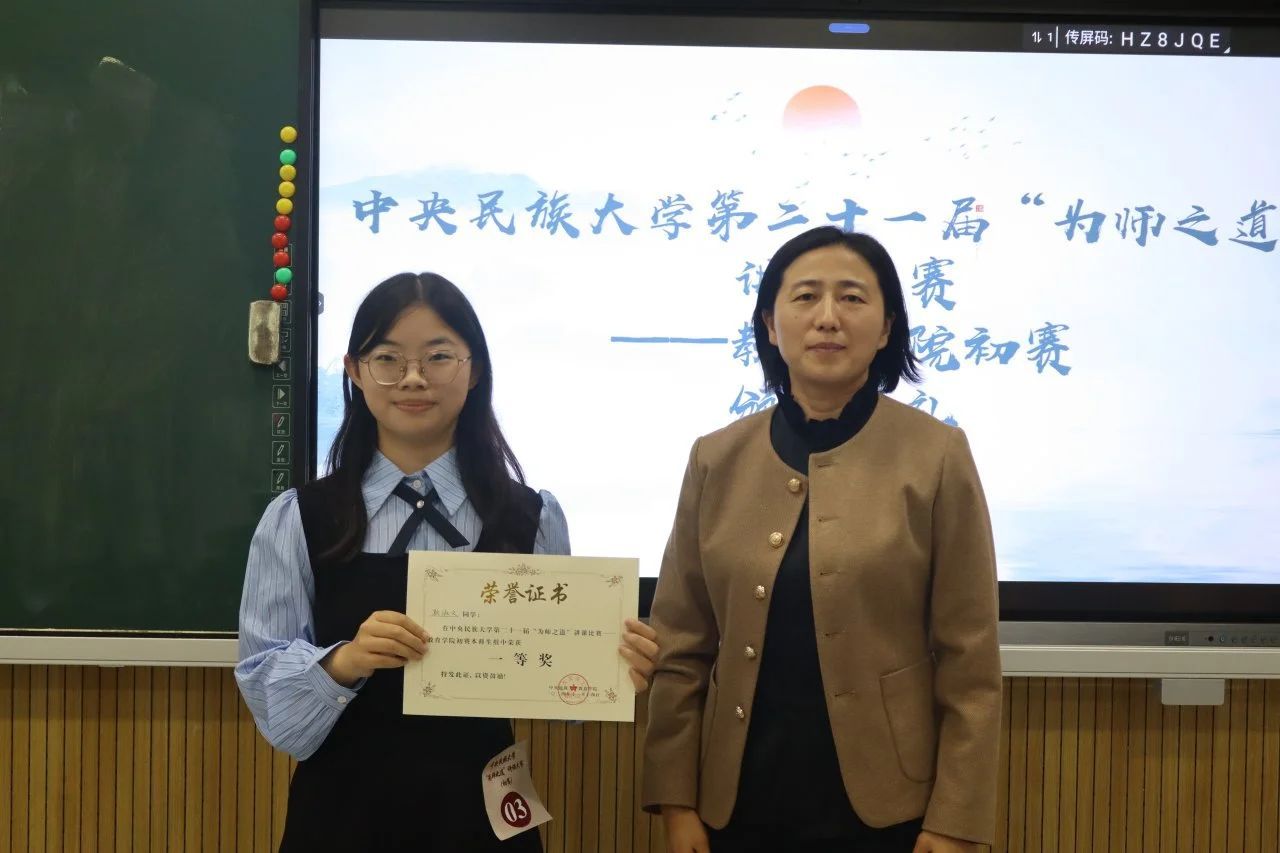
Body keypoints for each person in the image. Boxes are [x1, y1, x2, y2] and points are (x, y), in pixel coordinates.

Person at [236, 272, 659, 851]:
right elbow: (267, 695)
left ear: (474, 369)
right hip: (342, 817)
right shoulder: (298, 518)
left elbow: (563, 693)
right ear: (354, 371)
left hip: (482, 818)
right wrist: (345, 661)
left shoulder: (532, 517)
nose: (413, 378)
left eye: (438, 357)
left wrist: (613, 669)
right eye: (388, 359)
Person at [643, 227, 1001, 853]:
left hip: (890, 808)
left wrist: (954, 822)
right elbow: (681, 646)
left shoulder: (936, 455)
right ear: (770, 325)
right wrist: (676, 803)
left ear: (886, 328)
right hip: (735, 805)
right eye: (805, 297)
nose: (828, 318)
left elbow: (970, 661)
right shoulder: (716, 458)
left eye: (853, 298)